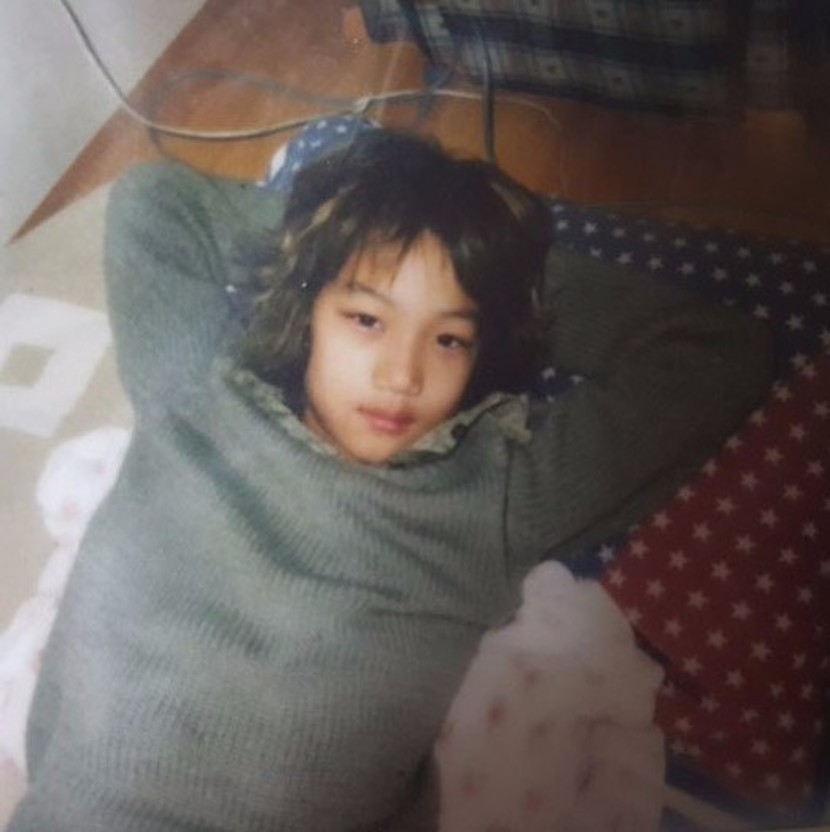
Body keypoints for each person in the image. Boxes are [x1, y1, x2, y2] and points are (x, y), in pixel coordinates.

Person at [9, 129, 773, 831]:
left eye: (449, 338)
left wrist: (496, 277)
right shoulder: (196, 388)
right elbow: (157, 202)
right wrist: (333, 236)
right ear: (307, 304)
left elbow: (715, 353)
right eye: (367, 319)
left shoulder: (495, 496)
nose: (401, 375)